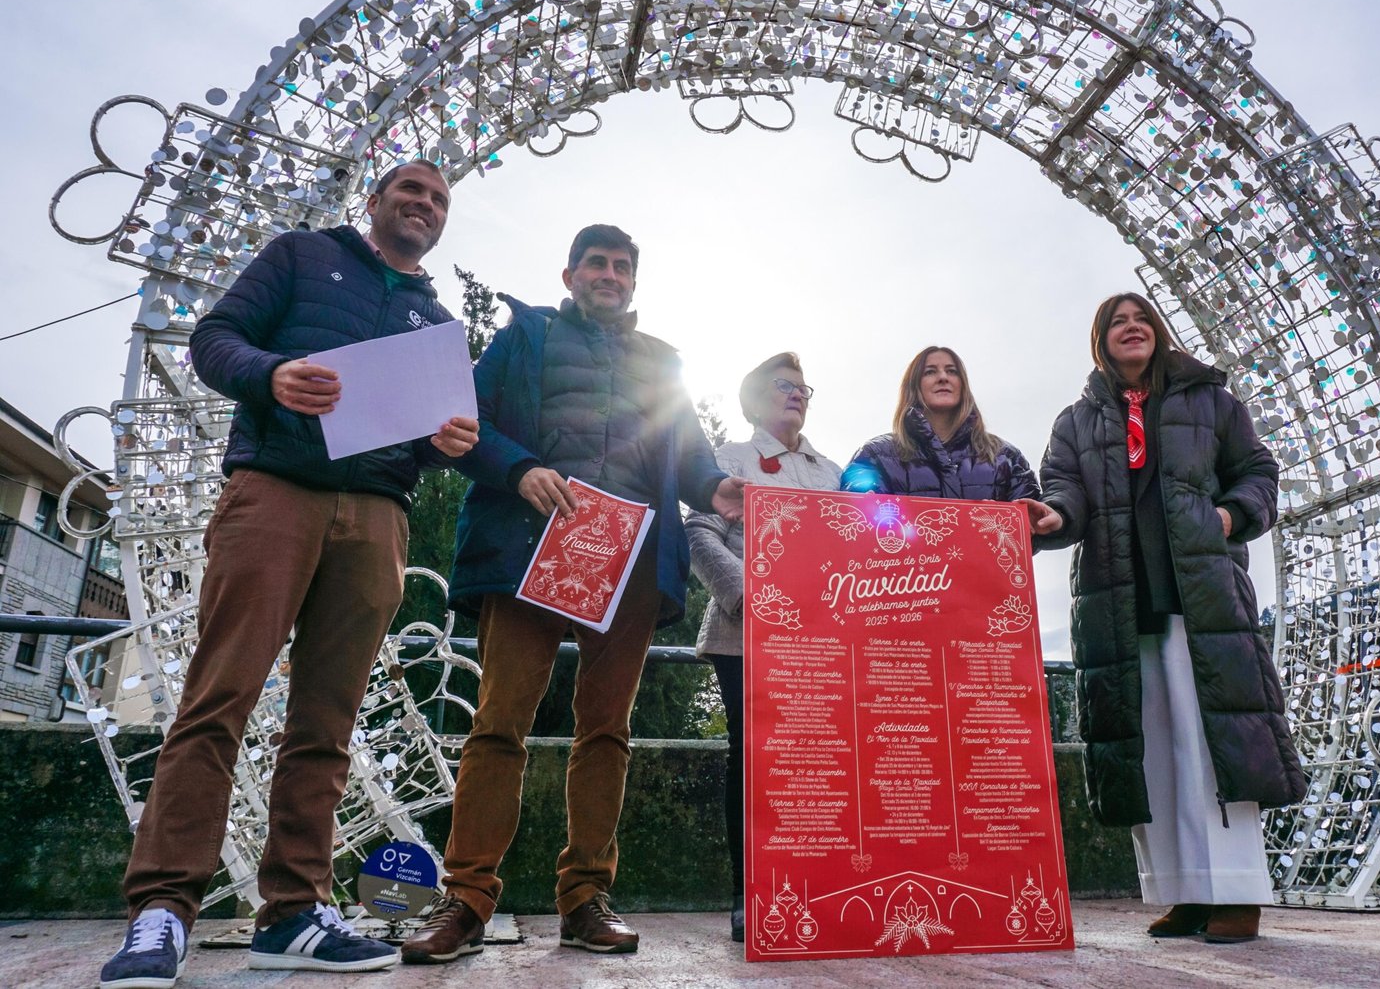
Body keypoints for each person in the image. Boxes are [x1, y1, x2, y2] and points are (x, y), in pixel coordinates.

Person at [99, 160, 480, 989]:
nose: (423, 204)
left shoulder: (434, 318)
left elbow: (428, 431)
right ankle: (161, 910)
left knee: (328, 722)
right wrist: (270, 375)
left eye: (439, 199)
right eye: (410, 190)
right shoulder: (302, 256)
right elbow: (212, 339)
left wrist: (447, 442)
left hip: (377, 515)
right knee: (217, 698)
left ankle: (294, 912)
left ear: (444, 223)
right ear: (374, 201)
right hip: (275, 490)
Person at [400, 224, 746, 963]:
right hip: (528, 550)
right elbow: (467, 422)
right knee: (499, 724)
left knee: (607, 731)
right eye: (598, 263)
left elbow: (689, 456)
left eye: (623, 266)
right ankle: (466, 898)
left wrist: (719, 487)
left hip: (630, 562)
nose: (610, 274)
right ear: (570, 273)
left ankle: (586, 898)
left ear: (633, 281)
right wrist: (519, 467)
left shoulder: (663, 362)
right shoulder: (522, 336)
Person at [1037, 292, 1305, 944]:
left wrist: (1228, 515)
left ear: (1158, 333)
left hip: (1203, 600)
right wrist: (1051, 517)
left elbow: (1258, 471)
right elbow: (1064, 491)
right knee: (1152, 752)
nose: (1131, 328)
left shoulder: (1212, 401)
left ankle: (1237, 893)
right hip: (1122, 608)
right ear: (1101, 343)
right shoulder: (1077, 420)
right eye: (1115, 323)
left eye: (1141, 319)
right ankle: (1185, 891)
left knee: (1217, 744)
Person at [686, 353, 843, 942]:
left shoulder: (832, 470)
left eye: (804, 388)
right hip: (745, 633)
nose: (798, 394)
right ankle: (751, 891)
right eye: (784, 386)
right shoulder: (727, 459)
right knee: (753, 759)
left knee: (824, 765)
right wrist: (748, 596)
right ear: (753, 401)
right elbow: (699, 531)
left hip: (824, 643)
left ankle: (819, 886)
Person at [843, 346, 1061, 536]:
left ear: (963, 384)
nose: (943, 377)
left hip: (986, 581)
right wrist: (860, 506)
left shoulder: (1005, 456)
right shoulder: (876, 454)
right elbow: (855, 509)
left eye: (952, 371)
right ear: (913, 386)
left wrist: (1022, 522)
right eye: (930, 371)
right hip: (909, 580)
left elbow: (1033, 529)